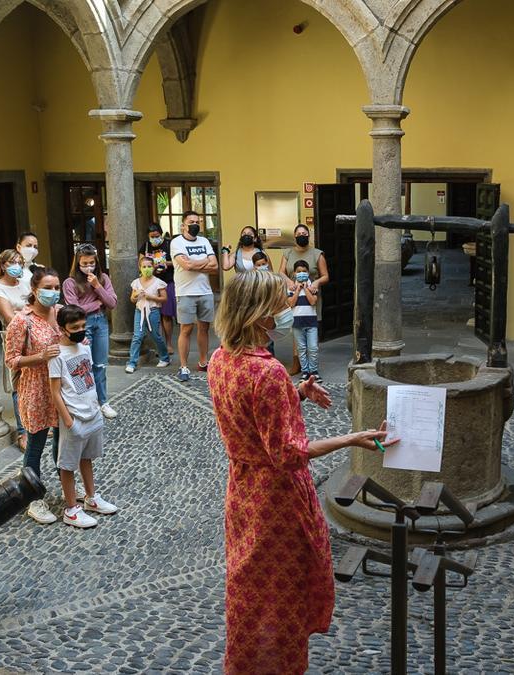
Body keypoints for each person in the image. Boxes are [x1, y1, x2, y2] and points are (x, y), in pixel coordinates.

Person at [206, 271, 397, 674]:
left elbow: (250, 415)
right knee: (282, 597)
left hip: (242, 493)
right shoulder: (268, 372)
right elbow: (289, 454)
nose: (288, 306)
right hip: (276, 501)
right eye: (282, 300)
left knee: (249, 590)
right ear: (260, 314)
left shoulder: (220, 359)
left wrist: (296, 394)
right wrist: (351, 438)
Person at [5, 267, 67, 525]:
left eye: (56, 287)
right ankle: (32, 498)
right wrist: (40, 357)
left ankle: (68, 486)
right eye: (48, 287)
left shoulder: (60, 313)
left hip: (62, 388)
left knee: (63, 442)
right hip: (36, 389)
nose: (53, 292)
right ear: (34, 289)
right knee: (36, 444)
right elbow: (11, 359)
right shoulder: (22, 320)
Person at [49, 304, 119, 528]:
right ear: (62, 328)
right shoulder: (56, 355)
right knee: (68, 465)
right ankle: (71, 509)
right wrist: (68, 420)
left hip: (92, 411)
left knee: (86, 457)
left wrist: (97, 405)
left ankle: (91, 497)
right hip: (74, 417)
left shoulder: (85, 348)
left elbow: (88, 377)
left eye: (83, 326)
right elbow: (55, 391)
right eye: (75, 327)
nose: (80, 330)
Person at [62, 244, 118, 419]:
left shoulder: (103, 278)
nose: (88, 267)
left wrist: (97, 287)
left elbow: (112, 303)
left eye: (91, 263)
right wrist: (96, 303)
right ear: (77, 263)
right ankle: (86, 403)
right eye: (84, 263)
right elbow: (74, 311)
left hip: (100, 323)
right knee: (83, 366)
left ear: (96, 262)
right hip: (82, 325)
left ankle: (103, 402)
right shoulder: (69, 283)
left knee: (100, 366)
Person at [170, 210, 218, 383]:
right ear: (183, 225)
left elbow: (215, 266)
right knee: (186, 329)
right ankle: (183, 366)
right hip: (185, 292)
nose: (195, 224)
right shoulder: (176, 242)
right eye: (191, 222)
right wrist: (203, 262)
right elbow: (186, 265)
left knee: (204, 328)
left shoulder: (204, 241)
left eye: (197, 221)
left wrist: (193, 263)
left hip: (205, 291)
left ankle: (203, 362)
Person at [0, 248, 30, 449]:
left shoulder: (25, 284)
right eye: (11, 262)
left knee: (37, 380)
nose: (16, 266)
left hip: (35, 336)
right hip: (14, 339)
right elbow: (10, 318)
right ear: (3, 265)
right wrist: (27, 312)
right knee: (19, 385)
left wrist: (22, 311)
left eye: (19, 262)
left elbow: (37, 305)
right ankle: (22, 432)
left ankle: (37, 422)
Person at [126, 254, 170, 373]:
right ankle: (132, 362)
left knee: (155, 335)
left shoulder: (158, 282)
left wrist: (150, 297)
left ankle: (164, 357)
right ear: (140, 268)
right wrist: (136, 296)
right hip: (139, 311)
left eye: (149, 266)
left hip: (153, 311)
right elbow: (132, 299)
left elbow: (164, 299)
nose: (147, 269)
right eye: (144, 267)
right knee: (137, 336)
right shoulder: (136, 283)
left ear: (154, 267)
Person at [142, 222, 176, 361]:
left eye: (157, 236)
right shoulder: (145, 246)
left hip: (167, 282)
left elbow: (177, 261)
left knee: (166, 315)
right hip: (151, 284)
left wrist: (164, 263)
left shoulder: (169, 244)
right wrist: (151, 266)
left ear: (161, 234)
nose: (154, 239)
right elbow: (141, 263)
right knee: (154, 316)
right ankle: (159, 344)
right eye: (152, 236)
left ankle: (168, 344)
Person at [288, 259, 320, 380]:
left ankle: (314, 371)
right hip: (297, 323)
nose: (301, 273)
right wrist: (297, 289)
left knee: (313, 348)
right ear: (294, 273)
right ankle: (305, 371)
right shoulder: (290, 288)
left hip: (311, 323)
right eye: (299, 271)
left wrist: (306, 288)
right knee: (301, 348)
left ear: (308, 273)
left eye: (304, 271)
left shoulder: (313, 287)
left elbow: (312, 301)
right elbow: (291, 303)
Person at [280, 224, 329, 292]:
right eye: (299, 234)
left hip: (312, 296)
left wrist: (317, 282)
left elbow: (325, 277)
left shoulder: (317, 254)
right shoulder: (287, 253)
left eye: (304, 233)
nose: (301, 235)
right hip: (292, 295)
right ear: (295, 236)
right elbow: (281, 272)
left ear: (308, 235)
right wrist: (288, 281)